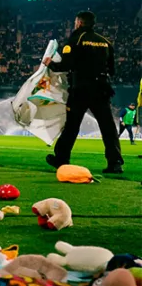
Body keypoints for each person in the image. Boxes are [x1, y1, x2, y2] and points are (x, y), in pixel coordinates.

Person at [43, 11, 123, 173]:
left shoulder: (76, 39)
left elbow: (65, 65)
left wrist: (50, 63)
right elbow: (112, 70)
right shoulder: (105, 42)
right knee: (108, 127)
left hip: (80, 90)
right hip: (101, 89)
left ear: (79, 22)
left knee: (72, 126)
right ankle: (115, 163)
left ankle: (61, 158)